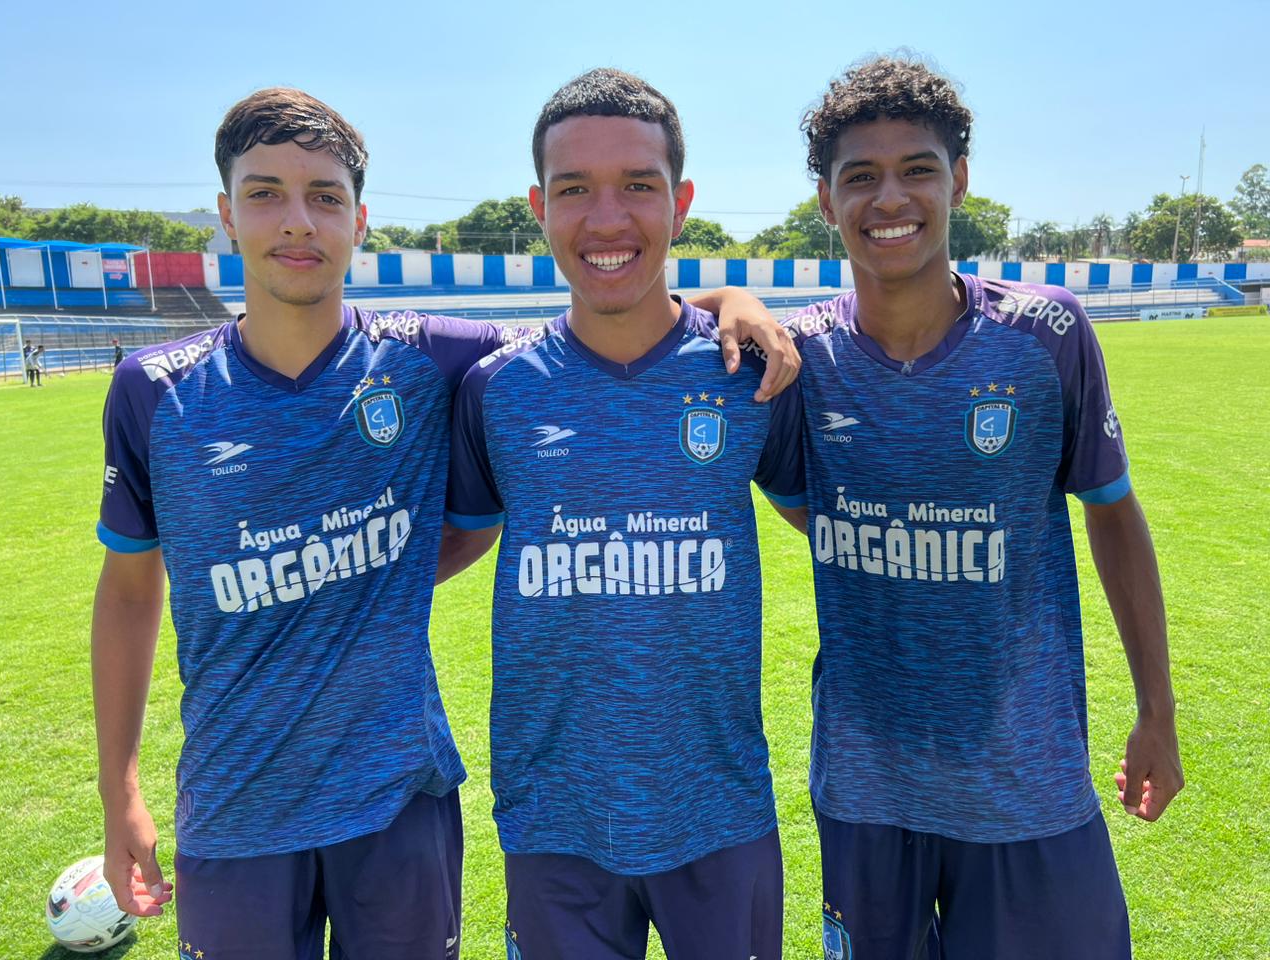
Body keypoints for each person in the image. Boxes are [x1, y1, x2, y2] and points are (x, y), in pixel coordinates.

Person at [93, 86, 797, 960]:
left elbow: (606, 308)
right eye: (265, 193)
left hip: (400, 798)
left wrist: (731, 295)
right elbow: (128, 591)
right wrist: (118, 781)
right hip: (237, 805)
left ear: (360, 219)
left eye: (324, 197)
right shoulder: (154, 390)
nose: (295, 223)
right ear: (226, 216)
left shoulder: (431, 357)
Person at [761, 56, 1182, 959]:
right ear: (826, 200)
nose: (890, 199)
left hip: (1028, 778)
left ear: (960, 179)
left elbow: (1111, 512)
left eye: (917, 168)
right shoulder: (799, 359)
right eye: (859, 177)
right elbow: (811, 506)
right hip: (867, 787)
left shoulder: (1047, 335)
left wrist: (1158, 711)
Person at [441, 69, 805, 960]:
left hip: (721, 811)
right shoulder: (496, 391)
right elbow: (463, 535)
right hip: (554, 820)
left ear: (680, 202)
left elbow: (837, 530)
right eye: (575, 190)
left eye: (638, 185)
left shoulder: (751, 370)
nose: (607, 220)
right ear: (538, 206)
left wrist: (736, 300)